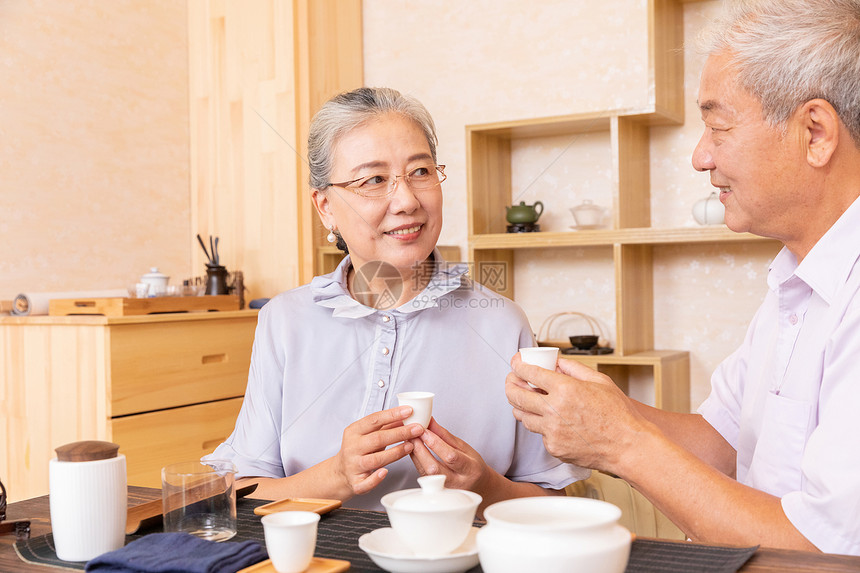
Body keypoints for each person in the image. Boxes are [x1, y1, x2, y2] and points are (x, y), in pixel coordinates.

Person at [506, 0, 860, 555]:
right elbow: (723, 441)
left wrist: (619, 442)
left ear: (815, 132)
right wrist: (607, 410)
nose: (700, 156)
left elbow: (826, 551)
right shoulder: (794, 283)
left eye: (718, 127)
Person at [206, 87, 586, 511]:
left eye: (421, 172)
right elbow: (239, 494)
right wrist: (335, 476)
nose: (407, 200)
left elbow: (555, 503)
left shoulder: (502, 323)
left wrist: (485, 488)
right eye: (374, 180)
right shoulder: (284, 321)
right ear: (326, 207)